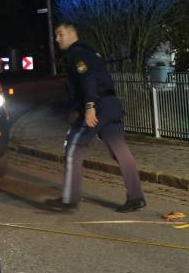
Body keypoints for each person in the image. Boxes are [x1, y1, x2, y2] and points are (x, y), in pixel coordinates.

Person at [45, 23, 146, 212]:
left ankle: (69, 200)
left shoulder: (77, 54)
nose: (57, 39)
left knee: (74, 146)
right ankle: (136, 197)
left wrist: (89, 106)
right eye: (56, 35)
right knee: (120, 150)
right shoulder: (90, 52)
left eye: (60, 34)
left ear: (72, 34)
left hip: (97, 105)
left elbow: (87, 79)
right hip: (111, 105)